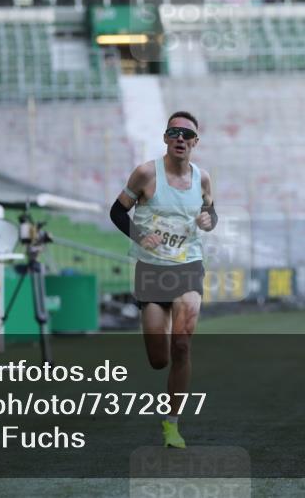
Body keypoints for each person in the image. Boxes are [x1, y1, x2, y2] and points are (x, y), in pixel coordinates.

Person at [109, 111, 217, 449]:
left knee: (182, 345)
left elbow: (212, 213)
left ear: (195, 142)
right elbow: (116, 211)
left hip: (188, 266)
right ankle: (164, 324)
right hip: (152, 269)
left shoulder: (203, 179)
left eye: (187, 134)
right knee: (159, 359)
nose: (180, 138)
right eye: (174, 132)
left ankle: (172, 423)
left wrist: (208, 219)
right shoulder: (145, 173)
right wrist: (140, 236)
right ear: (166, 138)